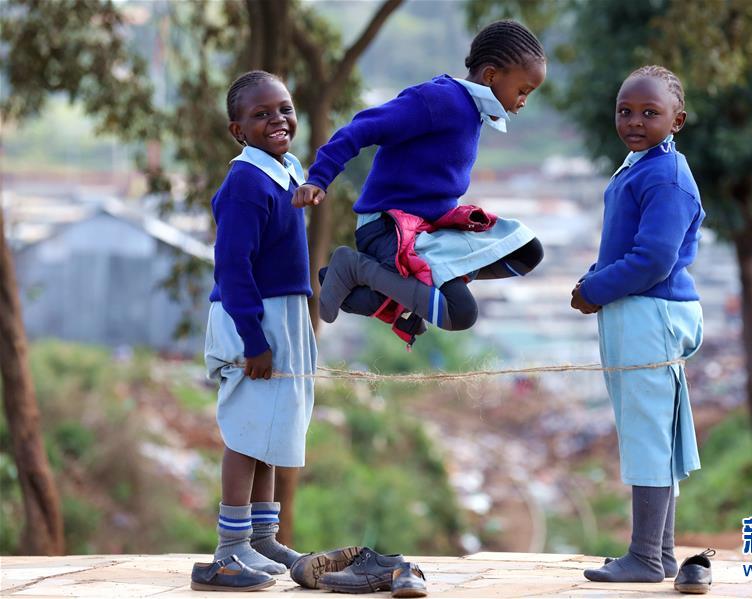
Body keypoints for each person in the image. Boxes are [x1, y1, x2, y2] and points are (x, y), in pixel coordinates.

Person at [293, 20, 547, 339]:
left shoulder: (472, 111)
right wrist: (319, 178)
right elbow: (362, 127)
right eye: (523, 90)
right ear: (492, 76)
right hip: (387, 227)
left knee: (528, 251)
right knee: (461, 313)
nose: (523, 101)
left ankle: (404, 284)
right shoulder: (438, 100)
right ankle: (356, 267)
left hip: (429, 231)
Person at [572, 65, 705, 584]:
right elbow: (625, 247)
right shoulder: (640, 164)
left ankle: (646, 557)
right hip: (640, 308)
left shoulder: (666, 176)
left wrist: (595, 291)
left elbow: (652, 259)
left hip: (651, 310)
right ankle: (662, 554)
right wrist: (592, 279)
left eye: (651, 113)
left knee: (647, 435)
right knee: (655, 433)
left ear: (678, 120)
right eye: (625, 110)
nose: (634, 120)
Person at [202, 70, 314, 582]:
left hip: (282, 317)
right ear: (237, 130)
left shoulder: (287, 170)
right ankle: (229, 549)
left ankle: (263, 539)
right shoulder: (246, 181)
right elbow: (233, 266)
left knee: (271, 430)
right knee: (248, 432)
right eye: (260, 114)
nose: (277, 119)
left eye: (284, 108)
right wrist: (253, 339)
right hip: (255, 320)